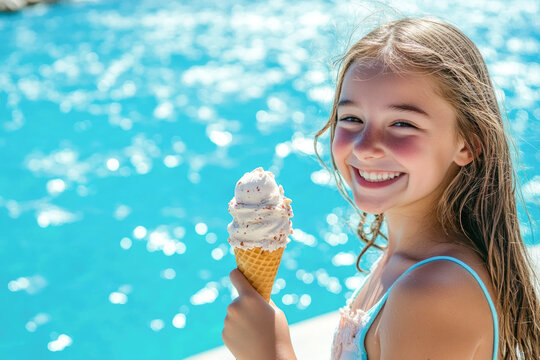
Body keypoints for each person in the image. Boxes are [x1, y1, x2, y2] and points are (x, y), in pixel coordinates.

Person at [222, 16, 540, 360]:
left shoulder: (432, 294)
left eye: (402, 123)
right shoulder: (404, 262)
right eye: (352, 119)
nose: (364, 146)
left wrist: (269, 352)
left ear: (467, 144)